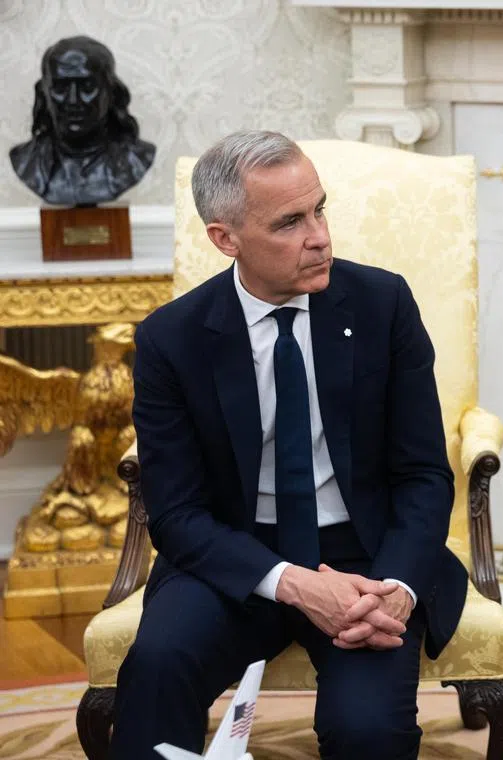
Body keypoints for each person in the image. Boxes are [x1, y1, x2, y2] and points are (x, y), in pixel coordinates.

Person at [110, 130, 466, 760]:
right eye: (290, 222)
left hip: (368, 555)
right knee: (157, 671)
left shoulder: (383, 305)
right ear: (226, 239)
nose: (320, 236)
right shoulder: (172, 340)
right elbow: (177, 514)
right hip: (236, 555)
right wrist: (294, 584)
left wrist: (398, 590)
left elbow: (423, 476)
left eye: (320, 209)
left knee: (368, 731)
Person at [9, 35, 155, 206]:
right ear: (44, 93)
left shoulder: (136, 158)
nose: (73, 100)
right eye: (60, 88)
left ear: (111, 91)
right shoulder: (27, 161)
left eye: (87, 87)